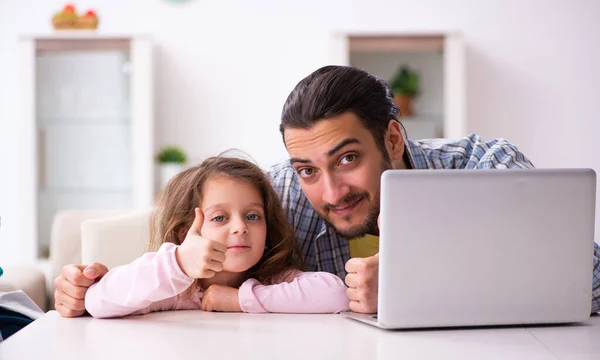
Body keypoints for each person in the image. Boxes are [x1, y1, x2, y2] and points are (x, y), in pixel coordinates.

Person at [54, 65, 600, 317]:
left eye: (347, 158)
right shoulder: (280, 199)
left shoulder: (485, 166)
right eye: (307, 169)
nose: (331, 191)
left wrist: (427, 280)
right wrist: (85, 289)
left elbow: (590, 281)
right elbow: (192, 258)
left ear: (392, 136)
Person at [84, 156, 349, 318]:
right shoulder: (173, 289)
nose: (240, 228)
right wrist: (178, 263)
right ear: (186, 232)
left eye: (253, 216)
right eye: (220, 218)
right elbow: (98, 301)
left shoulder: (271, 280)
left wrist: (239, 301)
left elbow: (335, 293)